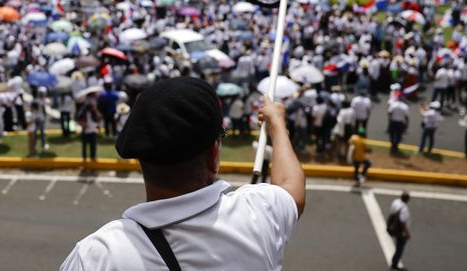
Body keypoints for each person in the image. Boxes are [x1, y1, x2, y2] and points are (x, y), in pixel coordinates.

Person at [60, 77, 305, 270]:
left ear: (140, 161)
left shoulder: (100, 256)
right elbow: (291, 186)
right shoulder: (258, 213)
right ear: (213, 155)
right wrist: (277, 126)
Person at [387, 192, 411, 270]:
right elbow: (402, 222)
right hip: (399, 230)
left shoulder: (395, 202)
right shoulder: (404, 208)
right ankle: (395, 263)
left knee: (398, 246)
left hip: (391, 226)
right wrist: (407, 233)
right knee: (400, 247)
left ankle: (394, 261)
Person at [76, 99, 101, 163]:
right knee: (84, 146)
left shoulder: (94, 113)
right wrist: (83, 124)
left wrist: (96, 111)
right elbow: (78, 120)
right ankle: (84, 158)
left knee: (93, 146)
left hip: (93, 132)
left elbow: (98, 119)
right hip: (85, 132)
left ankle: (93, 157)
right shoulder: (83, 113)